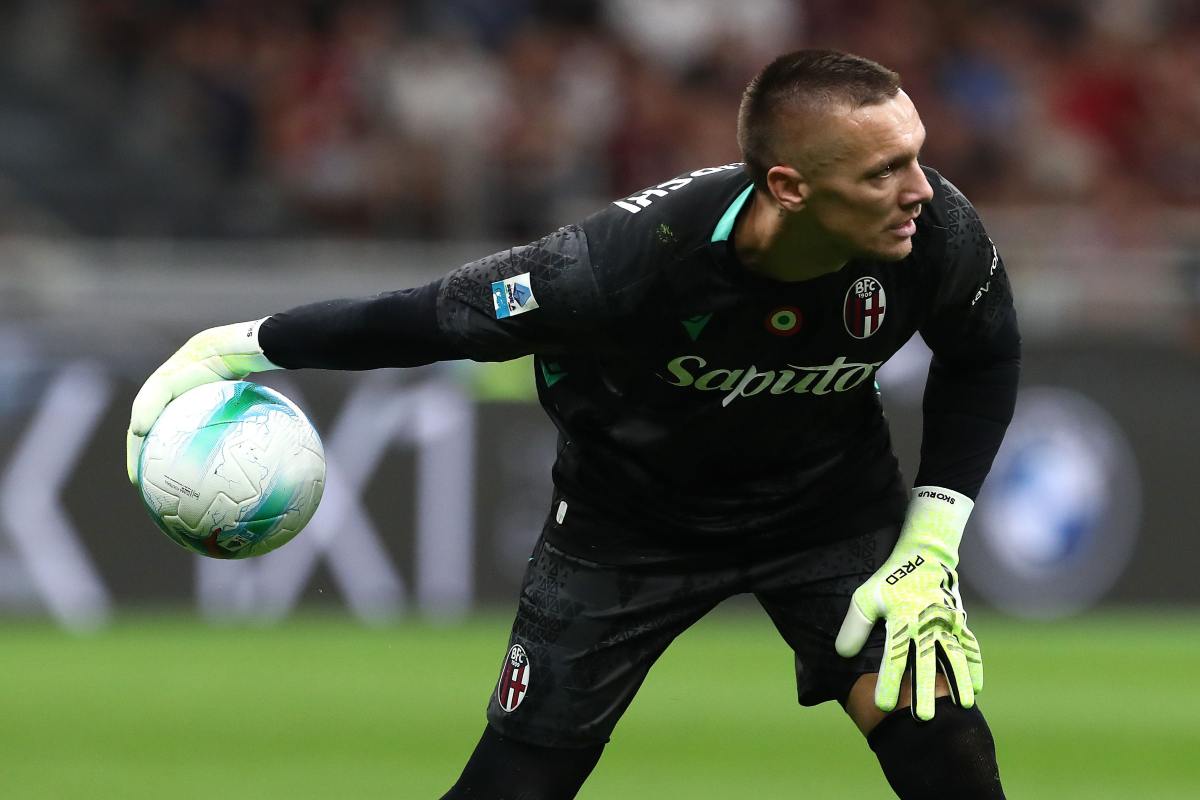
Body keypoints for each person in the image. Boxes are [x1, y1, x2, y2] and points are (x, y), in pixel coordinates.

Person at [127, 50, 1018, 799]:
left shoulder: (939, 236)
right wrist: (239, 346)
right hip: (624, 533)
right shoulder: (622, 266)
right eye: (882, 172)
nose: (920, 192)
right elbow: (426, 318)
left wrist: (930, 545)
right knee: (516, 787)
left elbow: (984, 358)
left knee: (944, 746)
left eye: (916, 155)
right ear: (787, 186)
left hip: (828, 518)